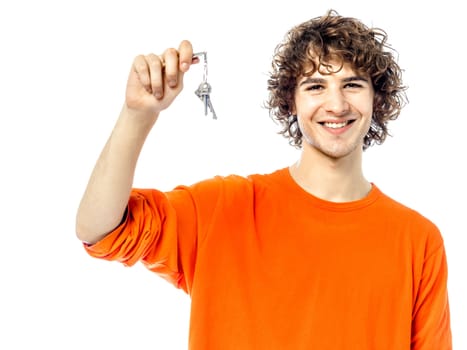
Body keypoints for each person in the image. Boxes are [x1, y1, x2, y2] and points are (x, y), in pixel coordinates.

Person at [76, 9, 452, 349]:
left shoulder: (417, 240)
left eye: (352, 85)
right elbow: (98, 229)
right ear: (291, 100)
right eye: (316, 86)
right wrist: (138, 115)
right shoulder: (223, 209)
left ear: (377, 98)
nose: (337, 105)